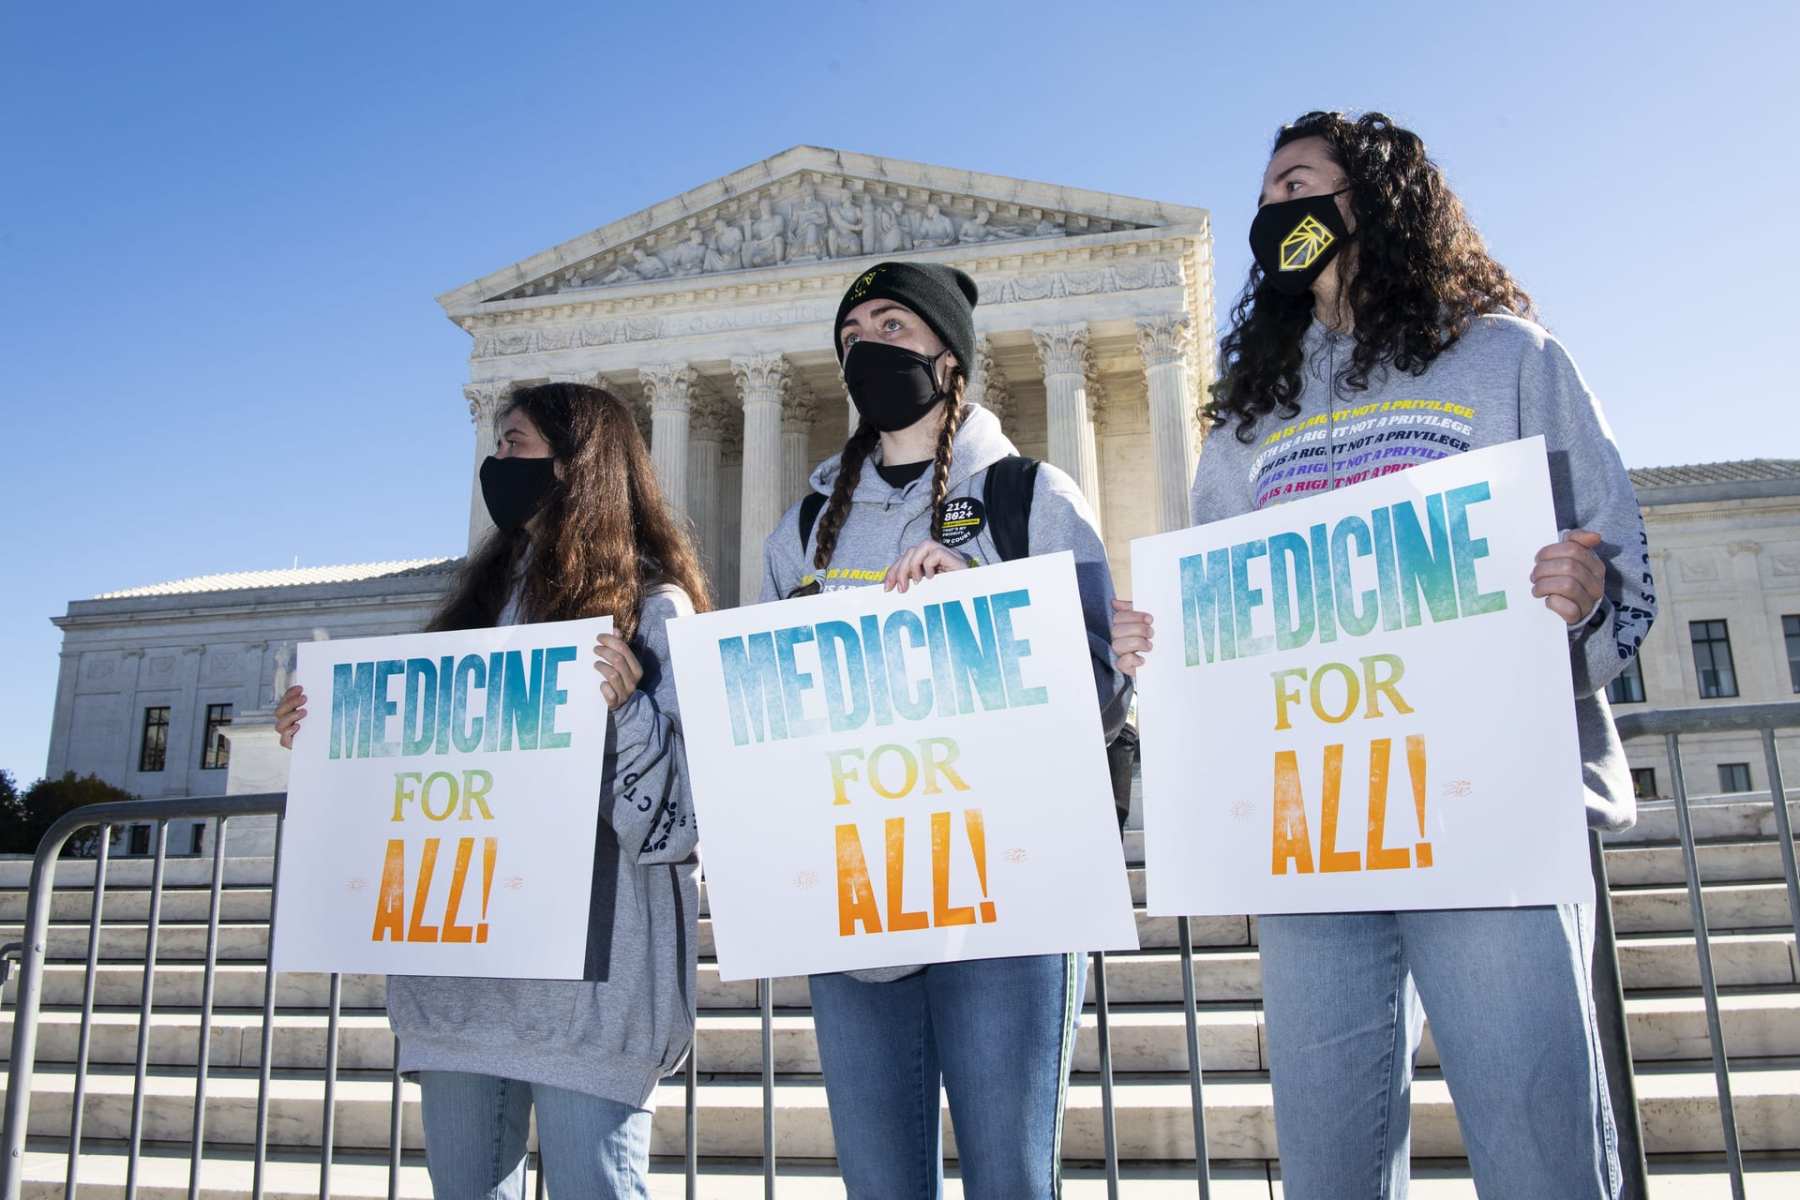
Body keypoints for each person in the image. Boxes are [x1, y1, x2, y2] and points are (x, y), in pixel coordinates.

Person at [1111, 111, 1654, 1199]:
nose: (1276, 210)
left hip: (1488, 814)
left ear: (1375, 201)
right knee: (1328, 1162)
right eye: (1266, 196)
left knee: (1537, 1141)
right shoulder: (1242, 431)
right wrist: (1157, 646)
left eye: (1299, 183)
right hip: (1319, 834)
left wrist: (1584, 594)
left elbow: (1621, 565)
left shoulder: (1503, 358)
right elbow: (1226, 615)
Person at [274, 382, 712, 1199]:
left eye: (515, 445)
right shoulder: (467, 623)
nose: (496, 461)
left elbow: (684, 820)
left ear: (577, 464)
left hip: (589, 995)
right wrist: (327, 733)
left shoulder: (652, 613)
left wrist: (624, 714)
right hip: (458, 989)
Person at [759, 262, 1130, 1197]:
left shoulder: (1030, 497)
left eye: (891, 323)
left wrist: (985, 610)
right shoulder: (800, 534)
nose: (867, 347)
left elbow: (1103, 688)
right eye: (851, 336)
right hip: (859, 899)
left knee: (1008, 1178)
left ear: (946, 351)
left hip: (1005, 898)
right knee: (880, 1185)